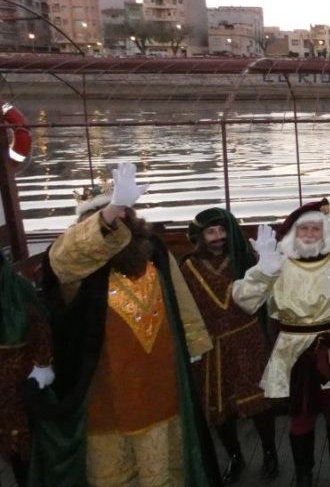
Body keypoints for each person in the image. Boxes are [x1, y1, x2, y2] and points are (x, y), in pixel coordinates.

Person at [32, 163, 219, 486]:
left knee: (163, 467)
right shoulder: (76, 264)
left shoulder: (154, 251)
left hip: (159, 380)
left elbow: (179, 296)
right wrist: (108, 214)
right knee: (112, 471)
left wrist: (194, 342)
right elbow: (61, 261)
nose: (116, 220)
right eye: (103, 216)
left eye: (122, 213)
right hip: (105, 385)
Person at [232, 198, 330, 487]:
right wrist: (263, 270)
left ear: (325, 232)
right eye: (303, 229)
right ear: (294, 233)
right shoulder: (277, 262)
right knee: (300, 416)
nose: (309, 234)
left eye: (315, 229)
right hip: (292, 349)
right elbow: (244, 300)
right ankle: (303, 473)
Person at [180, 208, 278, 482]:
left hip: (246, 338)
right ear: (199, 236)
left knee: (259, 402)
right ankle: (235, 455)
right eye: (211, 232)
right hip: (210, 345)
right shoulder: (187, 267)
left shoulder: (244, 259)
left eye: (222, 230)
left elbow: (262, 292)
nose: (218, 237)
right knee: (218, 407)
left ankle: (270, 451)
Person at [0, 253, 51, 487]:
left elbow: (40, 332)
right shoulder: (18, 285)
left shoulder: (17, 288)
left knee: (19, 443)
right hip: (17, 380)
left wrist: (41, 366)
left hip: (18, 381)